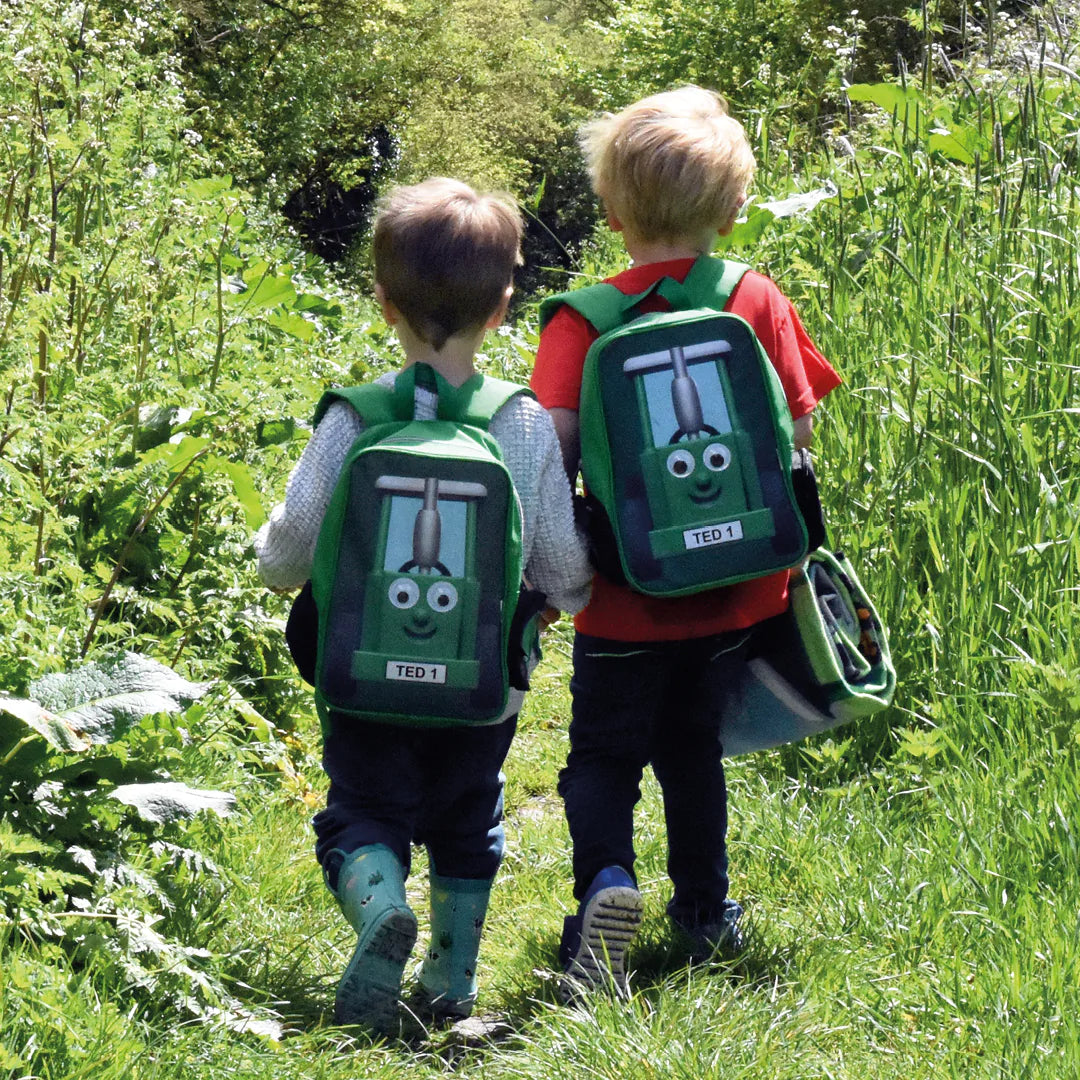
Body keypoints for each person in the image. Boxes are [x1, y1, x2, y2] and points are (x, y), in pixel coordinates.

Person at [255, 177, 592, 1032]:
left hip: (362, 677)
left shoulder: (355, 418)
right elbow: (557, 559)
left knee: (361, 810)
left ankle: (377, 908)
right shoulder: (518, 423)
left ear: (382, 303)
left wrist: (273, 564)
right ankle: (452, 982)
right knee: (468, 814)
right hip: (483, 684)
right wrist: (568, 601)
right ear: (505, 307)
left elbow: (292, 546)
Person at [530, 86, 842, 994]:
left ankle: (606, 887)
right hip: (734, 592)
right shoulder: (753, 296)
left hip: (626, 597)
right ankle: (706, 911)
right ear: (732, 207)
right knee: (693, 751)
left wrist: (554, 573)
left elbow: (552, 451)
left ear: (613, 213)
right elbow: (798, 432)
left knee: (601, 755)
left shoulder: (581, 319)